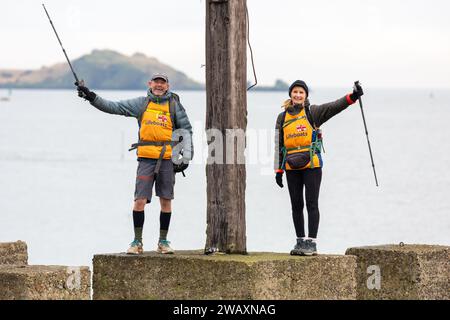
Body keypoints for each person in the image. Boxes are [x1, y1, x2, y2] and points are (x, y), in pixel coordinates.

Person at [76, 73, 193, 255]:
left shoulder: (174, 106)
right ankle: (137, 242)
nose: (159, 86)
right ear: (150, 84)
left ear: (168, 86)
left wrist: (186, 157)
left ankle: (163, 241)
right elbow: (113, 107)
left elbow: (186, 131)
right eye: (156, 82)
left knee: (166, 201)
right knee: (139, 201)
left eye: (163, 83)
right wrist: (91, 97)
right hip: (146, 158)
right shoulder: (142, 104)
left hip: (167, 159)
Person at [274, 80, 363, 256]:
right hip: (291, 166)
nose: (298, 95)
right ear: (290, 94)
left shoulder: (312, 112)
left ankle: (311, 243)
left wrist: (352, 96)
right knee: (296, 205)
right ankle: (300, 242)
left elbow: (334, 107)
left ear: (306, 95)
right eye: (295, 92)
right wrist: (278, 170)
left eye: (301, 92)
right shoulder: (282, 117)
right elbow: (278, 144)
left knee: (311, 203)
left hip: (312, 165)